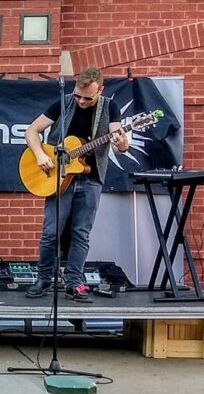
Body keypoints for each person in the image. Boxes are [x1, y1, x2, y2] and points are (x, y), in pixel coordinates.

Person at [24, 67, 129, 302]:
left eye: (88, 98)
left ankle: (74, 282)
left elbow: (118, 139)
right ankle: (43, 279)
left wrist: (122, 143)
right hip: (59, 177)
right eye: (79, 96)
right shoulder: (64, 102)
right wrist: (40, 155)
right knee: (51, 232)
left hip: (90, 178)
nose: (81, 101)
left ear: (101, 90)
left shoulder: (109, 107)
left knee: (81, 233)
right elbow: (31, 131)